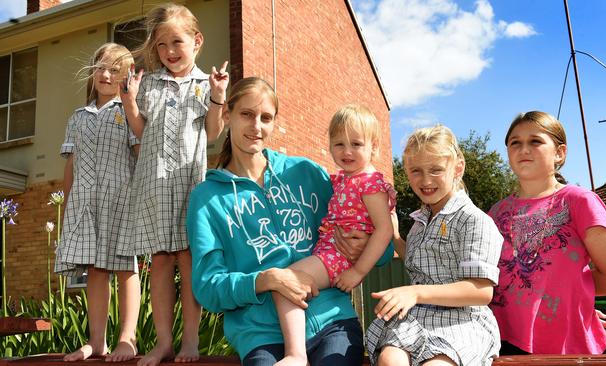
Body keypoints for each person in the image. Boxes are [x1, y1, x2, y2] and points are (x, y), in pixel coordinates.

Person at [186, 77, 393, 366]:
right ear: (227, 114)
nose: (256, 126)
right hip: (261, 334)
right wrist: (265, 279)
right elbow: (208, 287)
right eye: (246, 114)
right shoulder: (206, 199)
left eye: (266, 118)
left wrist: (365, 248)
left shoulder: (305, 172)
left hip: (330, 320)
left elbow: (378, 240)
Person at [118, 4, 229, 365]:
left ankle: (191, 341)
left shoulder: (204, 85)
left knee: (188, 258)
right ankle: (164, 342)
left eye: (176, 42)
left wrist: (217, 96)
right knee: (161, 262)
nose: (169, 51)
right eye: (161, 44)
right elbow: (140, 132)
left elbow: (213, 134)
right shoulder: (149, 82)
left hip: (188, 184)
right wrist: (130, 102)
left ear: (196, 41)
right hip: (153, 183)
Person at [488, 111, 606, 355]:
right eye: (515, 142)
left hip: (565, 348)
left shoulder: (579, 201)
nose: (524, 149)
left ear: (559, 153)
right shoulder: (495, 212)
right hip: (501, 341)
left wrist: (573, 304)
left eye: (535, 141)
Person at [366, 125, 503, 366]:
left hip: (463, 320)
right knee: (389, 360)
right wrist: (396, 237)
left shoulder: (473, 219)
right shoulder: (421, 221)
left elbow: (481, 291)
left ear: (457, 168)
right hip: (420, 317)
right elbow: (424, 264)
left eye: (436, 170)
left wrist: (414, 292)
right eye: (416, 170)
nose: (425, 180)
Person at [272, 105, 396, 366]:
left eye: (356, 144)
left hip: (337, 257)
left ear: (374, 147)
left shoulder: (370, 184)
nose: (346, 151)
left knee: (284, 283)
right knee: (287, 285)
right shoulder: (343, 179)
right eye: (338, 143)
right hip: (329, 252)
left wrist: (358, 272)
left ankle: (295, 354)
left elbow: (384, 230)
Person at [56, 42, 140, 362]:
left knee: (125, 268)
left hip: (121, 200)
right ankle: (96, 341)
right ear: (92, 72)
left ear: (126, 76)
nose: (106, 74)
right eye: (101, 67)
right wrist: (68, 204)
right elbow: (71, 163)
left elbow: (139, 153)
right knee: (95, 270)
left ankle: (127, 338)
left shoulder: (129, 112)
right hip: (86, 204)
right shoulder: (78, 117)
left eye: (115, 70)